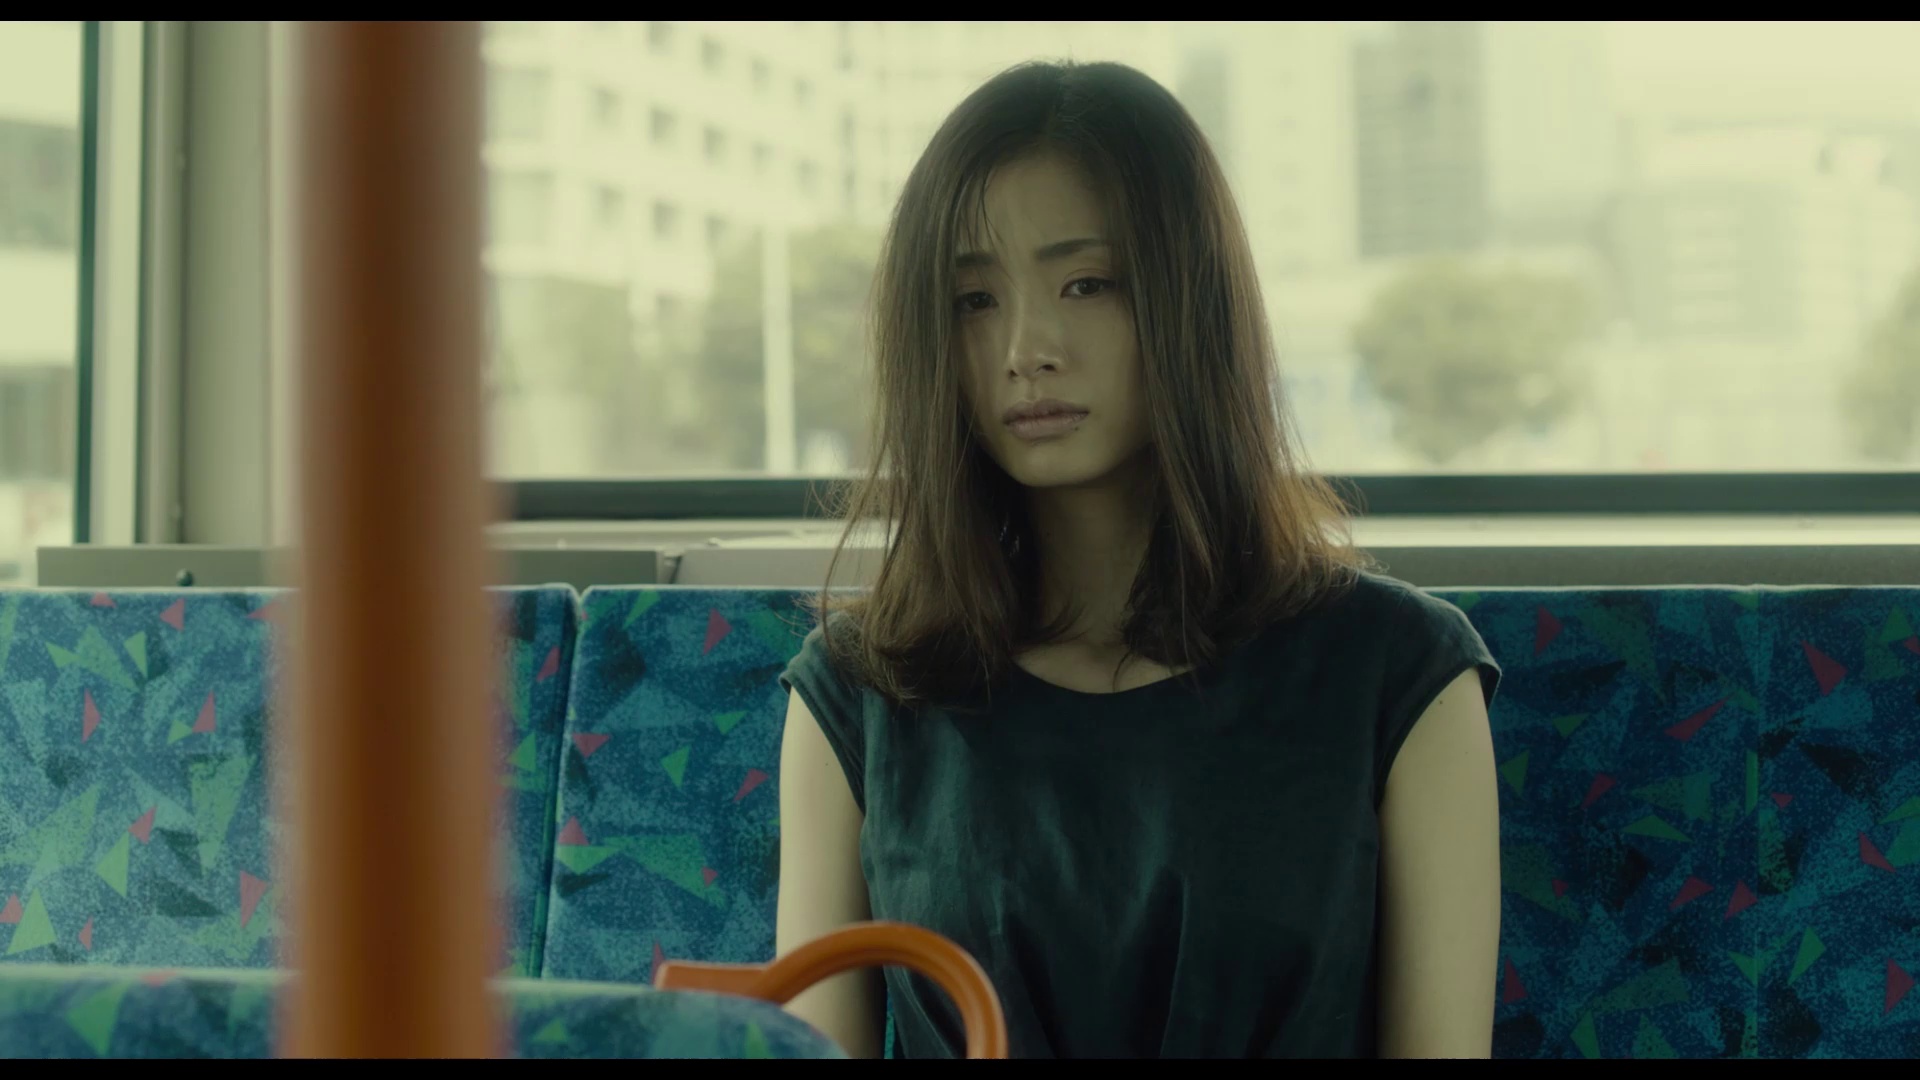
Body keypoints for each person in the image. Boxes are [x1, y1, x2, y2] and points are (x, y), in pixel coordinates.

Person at [775, 59, 1502, 1059]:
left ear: (1190, 302)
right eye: (973, 300)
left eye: (1087, 284)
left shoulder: (1400, 674)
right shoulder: (861, 693)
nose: (1027, 347)